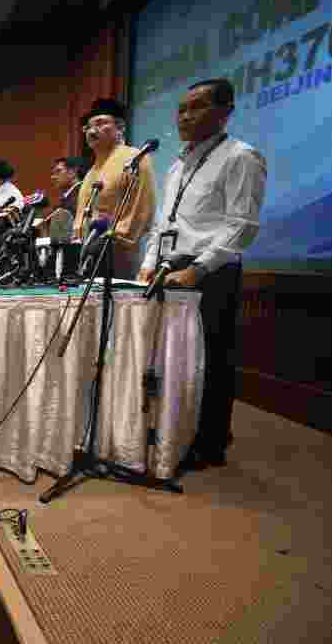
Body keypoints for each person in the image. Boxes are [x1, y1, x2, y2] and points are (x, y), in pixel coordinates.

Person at [137, 79, 266, 469]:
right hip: (168, 268)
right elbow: (164, 222)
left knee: (210, 359)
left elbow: (241, 224)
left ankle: (210, 443)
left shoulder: (240, 156)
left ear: (225, 111)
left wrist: (198, 269)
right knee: (175, 358)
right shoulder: (178, 163)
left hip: (210, 271)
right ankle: (176, 430)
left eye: (196, 107)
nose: (184, 116)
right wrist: (148, 263)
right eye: (180, 109)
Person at [73, 98, 156, 279]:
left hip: (116, 253)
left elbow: (141, 209)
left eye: (101, 123)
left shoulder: (134, 158)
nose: (92, 131)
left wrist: (112, 240)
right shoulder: (91, 171)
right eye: (88, 126)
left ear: (120, 128)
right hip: (85, 254)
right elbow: (82, 215)